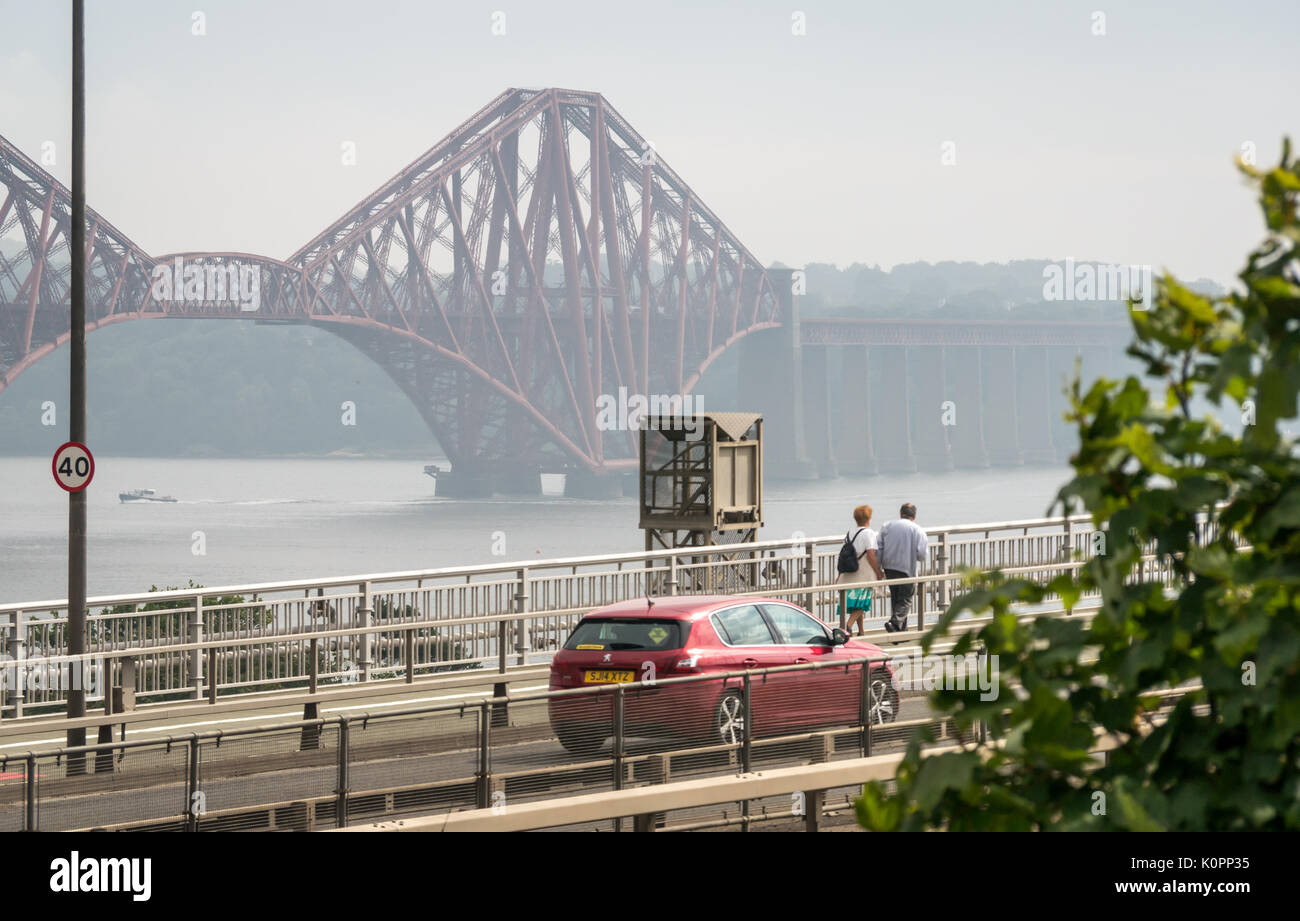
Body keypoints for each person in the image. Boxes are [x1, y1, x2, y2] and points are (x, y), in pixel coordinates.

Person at [835, 504, 885, 636]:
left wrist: (839, 574)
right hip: (864, 573)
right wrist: (878, 571)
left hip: (849, 572)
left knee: (857, 603)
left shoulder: (849, 533)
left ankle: (861, 631)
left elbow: (844, 555)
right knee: (863, 603)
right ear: (869, 518)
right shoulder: (869, 533)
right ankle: (848, 625)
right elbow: (870, 554)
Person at [877, 503, 928, 633]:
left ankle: (899, 630)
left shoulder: (887, 526)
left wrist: (878, 567)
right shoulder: (917, 530)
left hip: (889, 567)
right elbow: (922, 555)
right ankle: (894, 623)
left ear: (900, 514)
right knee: (905, 599)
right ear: (914, 516)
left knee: (896, 597)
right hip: (907, 568)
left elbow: (879, 548)